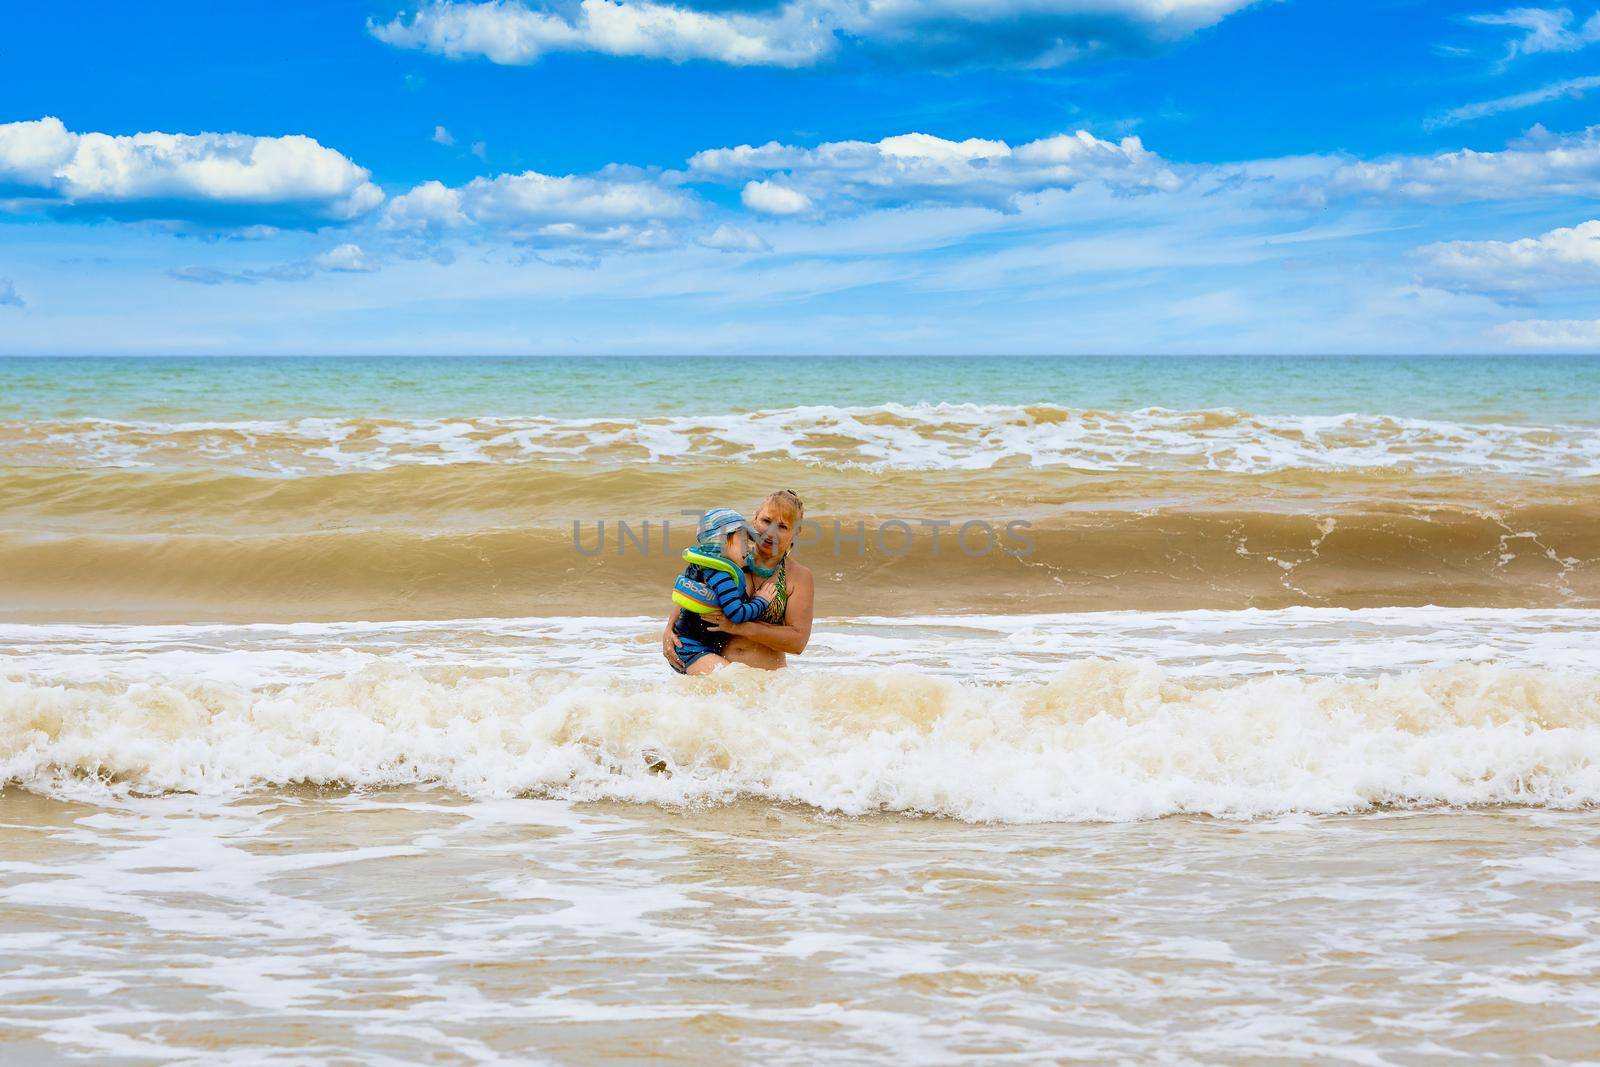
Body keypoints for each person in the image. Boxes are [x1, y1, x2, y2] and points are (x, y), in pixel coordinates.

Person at [663, 490, 814, 672]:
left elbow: (797, 642)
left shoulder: (798, 576)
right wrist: (668, 631)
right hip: (717, 676)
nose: (771, 532)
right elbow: (689, 592)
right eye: (766, 521)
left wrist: (739, 627)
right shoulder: (727, 560)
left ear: (796, 533)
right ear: (754, 519)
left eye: (782, 527)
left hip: (766, 681)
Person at [667, 508, 780, 675]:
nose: (748, 548)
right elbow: (736, 614)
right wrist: (761, 600)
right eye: (744, 541)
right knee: (737, 681)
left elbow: (680, 600)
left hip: (686, 645)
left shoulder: (699, 566)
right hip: (694, 651)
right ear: (723, 542)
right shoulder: (722, 576)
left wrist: (670, 627)